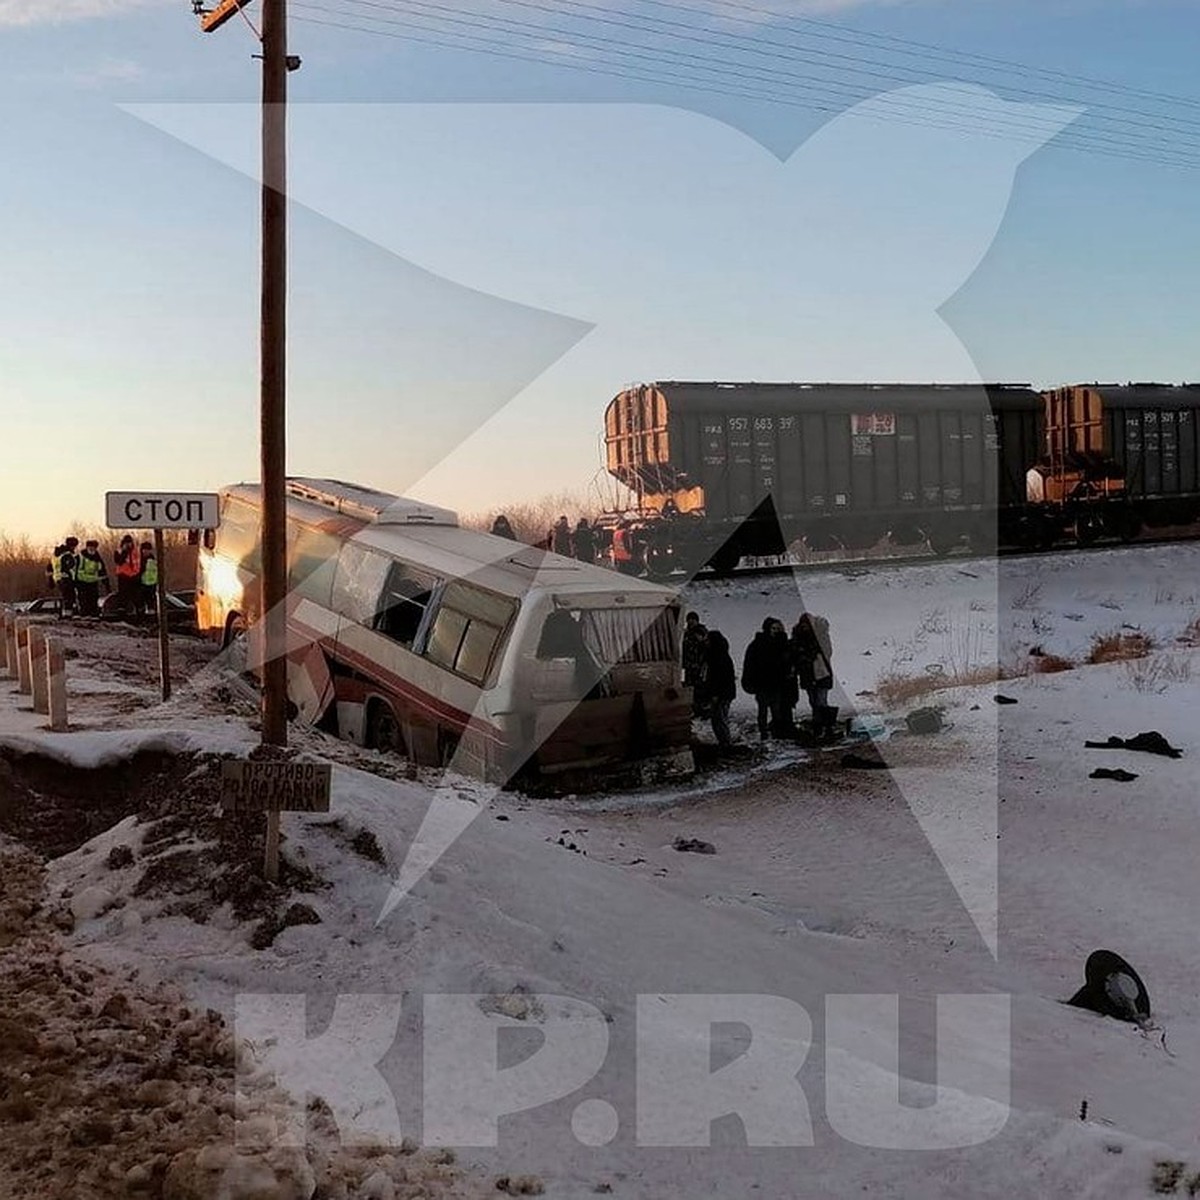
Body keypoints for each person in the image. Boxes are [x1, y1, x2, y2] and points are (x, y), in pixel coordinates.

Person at [741, 617, 795, 739]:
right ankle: (764, 732)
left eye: (777, 628)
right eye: (773, 628)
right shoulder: (758, 644)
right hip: (763, 682)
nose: (775, 631)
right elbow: (750, 663)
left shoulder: (780, 643)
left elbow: (787, 660)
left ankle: (777, 731)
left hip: (776, 682)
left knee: (776, 710)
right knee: (763, 710)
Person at [791, 612, 836, 739]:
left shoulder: (821, 636)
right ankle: (821, 727)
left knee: (821, 702)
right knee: (814, 702)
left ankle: (825, 728)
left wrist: (806, 656)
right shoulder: (799, 638)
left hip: (821, 674)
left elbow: (827, 652)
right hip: (810, 674)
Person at [704, 630, 737, 748]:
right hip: (724, 693)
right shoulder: (720, 655)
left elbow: (718, 678)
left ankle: (725, 743)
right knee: (719, 719)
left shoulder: (718, 657)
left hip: (722, 694)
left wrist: (715, 694)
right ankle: (725, 742)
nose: (705, 642)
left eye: (707, 640)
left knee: (719, 719)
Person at [681, 612, 709, 714]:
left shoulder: (701, 632)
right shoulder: (686, 633)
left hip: (699, 665)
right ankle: (694, 708)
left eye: (693, 619)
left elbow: (705, 648)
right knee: (690, 687)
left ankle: (702, 708)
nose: (691, 621)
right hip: (690, 666)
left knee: (700, 687)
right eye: (689, 619)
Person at [74, 539, 109, 618]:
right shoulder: (80, 557)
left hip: (93, 582)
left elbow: (102, 570)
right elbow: (75, 570)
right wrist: (75, 582)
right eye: (90, 548)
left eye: (93, 548)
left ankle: (93, 614)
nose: (92, 550)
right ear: (87, 547)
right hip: (81, 582)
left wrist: (106, 583)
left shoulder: (97, 558)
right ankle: (84, 614)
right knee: (83, 598)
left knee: (94, 598)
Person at [113, 535, 142, 616]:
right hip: (123, 575)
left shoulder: (136, 551)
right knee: (123, 594)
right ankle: (122, 610)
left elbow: (139, 563)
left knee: (136, 594)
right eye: (127, 543)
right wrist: (124, 552)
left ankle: (138, 610)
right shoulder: (119, 551)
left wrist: (138, 574)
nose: (129, 544)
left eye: (130, 543)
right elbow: (119, 562)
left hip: (134, 575)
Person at [53, 537, 79, 616]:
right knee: (69, 597)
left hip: (58, 578)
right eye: (74, 545)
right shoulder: (67, 555)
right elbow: (70, 568)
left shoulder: (58, 554)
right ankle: (68, 614)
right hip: (67, 578)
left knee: (65, 597)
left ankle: (64, 613)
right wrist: (74, 579)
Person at [139, 542, 158, 614]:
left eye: (147, 550)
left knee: (151, 600)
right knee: (143, 600)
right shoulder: (140, 560)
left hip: (151, 584)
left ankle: (151, 611)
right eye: (144, 550)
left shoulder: (152, 560)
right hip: (143, 583)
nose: (146, 551)